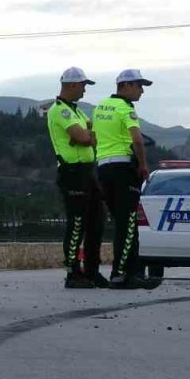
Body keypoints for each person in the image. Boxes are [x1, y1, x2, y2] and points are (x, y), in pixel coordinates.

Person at [93, 69, 162, 289]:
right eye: (139, 86)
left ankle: (133, 273)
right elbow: (137, 140)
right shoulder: (126, 108)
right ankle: (121, 274)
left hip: (104, 168)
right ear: (126, 85)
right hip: (124, 169)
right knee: (128, 223)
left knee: (122, 222)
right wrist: (142, 165)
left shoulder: (100, 107)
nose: (142, 91)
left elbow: (95, 136)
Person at [47, 66, 108, 289]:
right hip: (72, 172)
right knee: (77, 222)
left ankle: (92, 270)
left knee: (97, 220)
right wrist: (86, 137)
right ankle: (73, 272)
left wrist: (87, 136)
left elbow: (93, 135)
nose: (84, 90)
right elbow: (84, 136)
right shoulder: (60, 110)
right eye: (83, 85)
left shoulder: (78, 112)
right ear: (72, 85)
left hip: (88, 170)